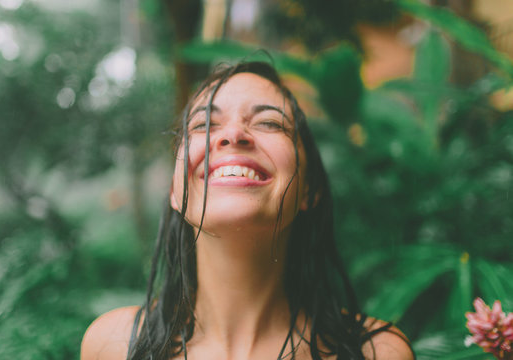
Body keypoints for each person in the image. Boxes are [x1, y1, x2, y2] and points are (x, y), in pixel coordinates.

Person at [81, 61, 415, 360]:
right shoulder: (112, 345)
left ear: (309, 188)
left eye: (269, 122)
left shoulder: (376, 353)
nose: (233, 134)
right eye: (203, 125)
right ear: (174, 189)